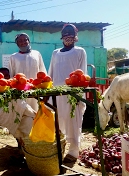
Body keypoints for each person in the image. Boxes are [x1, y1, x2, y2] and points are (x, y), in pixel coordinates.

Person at [48, 24, 87, 162]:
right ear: (61, 35)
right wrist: (48, 90)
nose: (67, 35)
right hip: (57, 94)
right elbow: (50, 73)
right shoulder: (55, 53)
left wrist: (78, 93)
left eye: (70, 32)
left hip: (72, 93)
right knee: (59, 121)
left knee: (73, 121)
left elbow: (82, 74)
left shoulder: (80, 51)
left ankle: (74, 151)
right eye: (65, 32)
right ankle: (60, 147)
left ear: (76, 35)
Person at [0, 68, 36, 148]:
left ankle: (26, 145)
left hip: (16, 115)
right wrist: (2, 101)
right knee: (14, 102)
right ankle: (33, 114)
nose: (4, 78)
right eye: (2, 76)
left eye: (6, 76)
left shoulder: (14, 87)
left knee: (28, 120)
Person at [8, 33, 47, 111]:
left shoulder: (37, 54)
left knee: (36, 111)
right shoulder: (13, 57)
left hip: (36, 89)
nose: (23, 42)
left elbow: (42, 71)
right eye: (20, 41)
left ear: (29, 41)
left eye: (25, 40)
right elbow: (11, 74)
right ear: (17, 44)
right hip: (20, 91)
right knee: (23, 112)